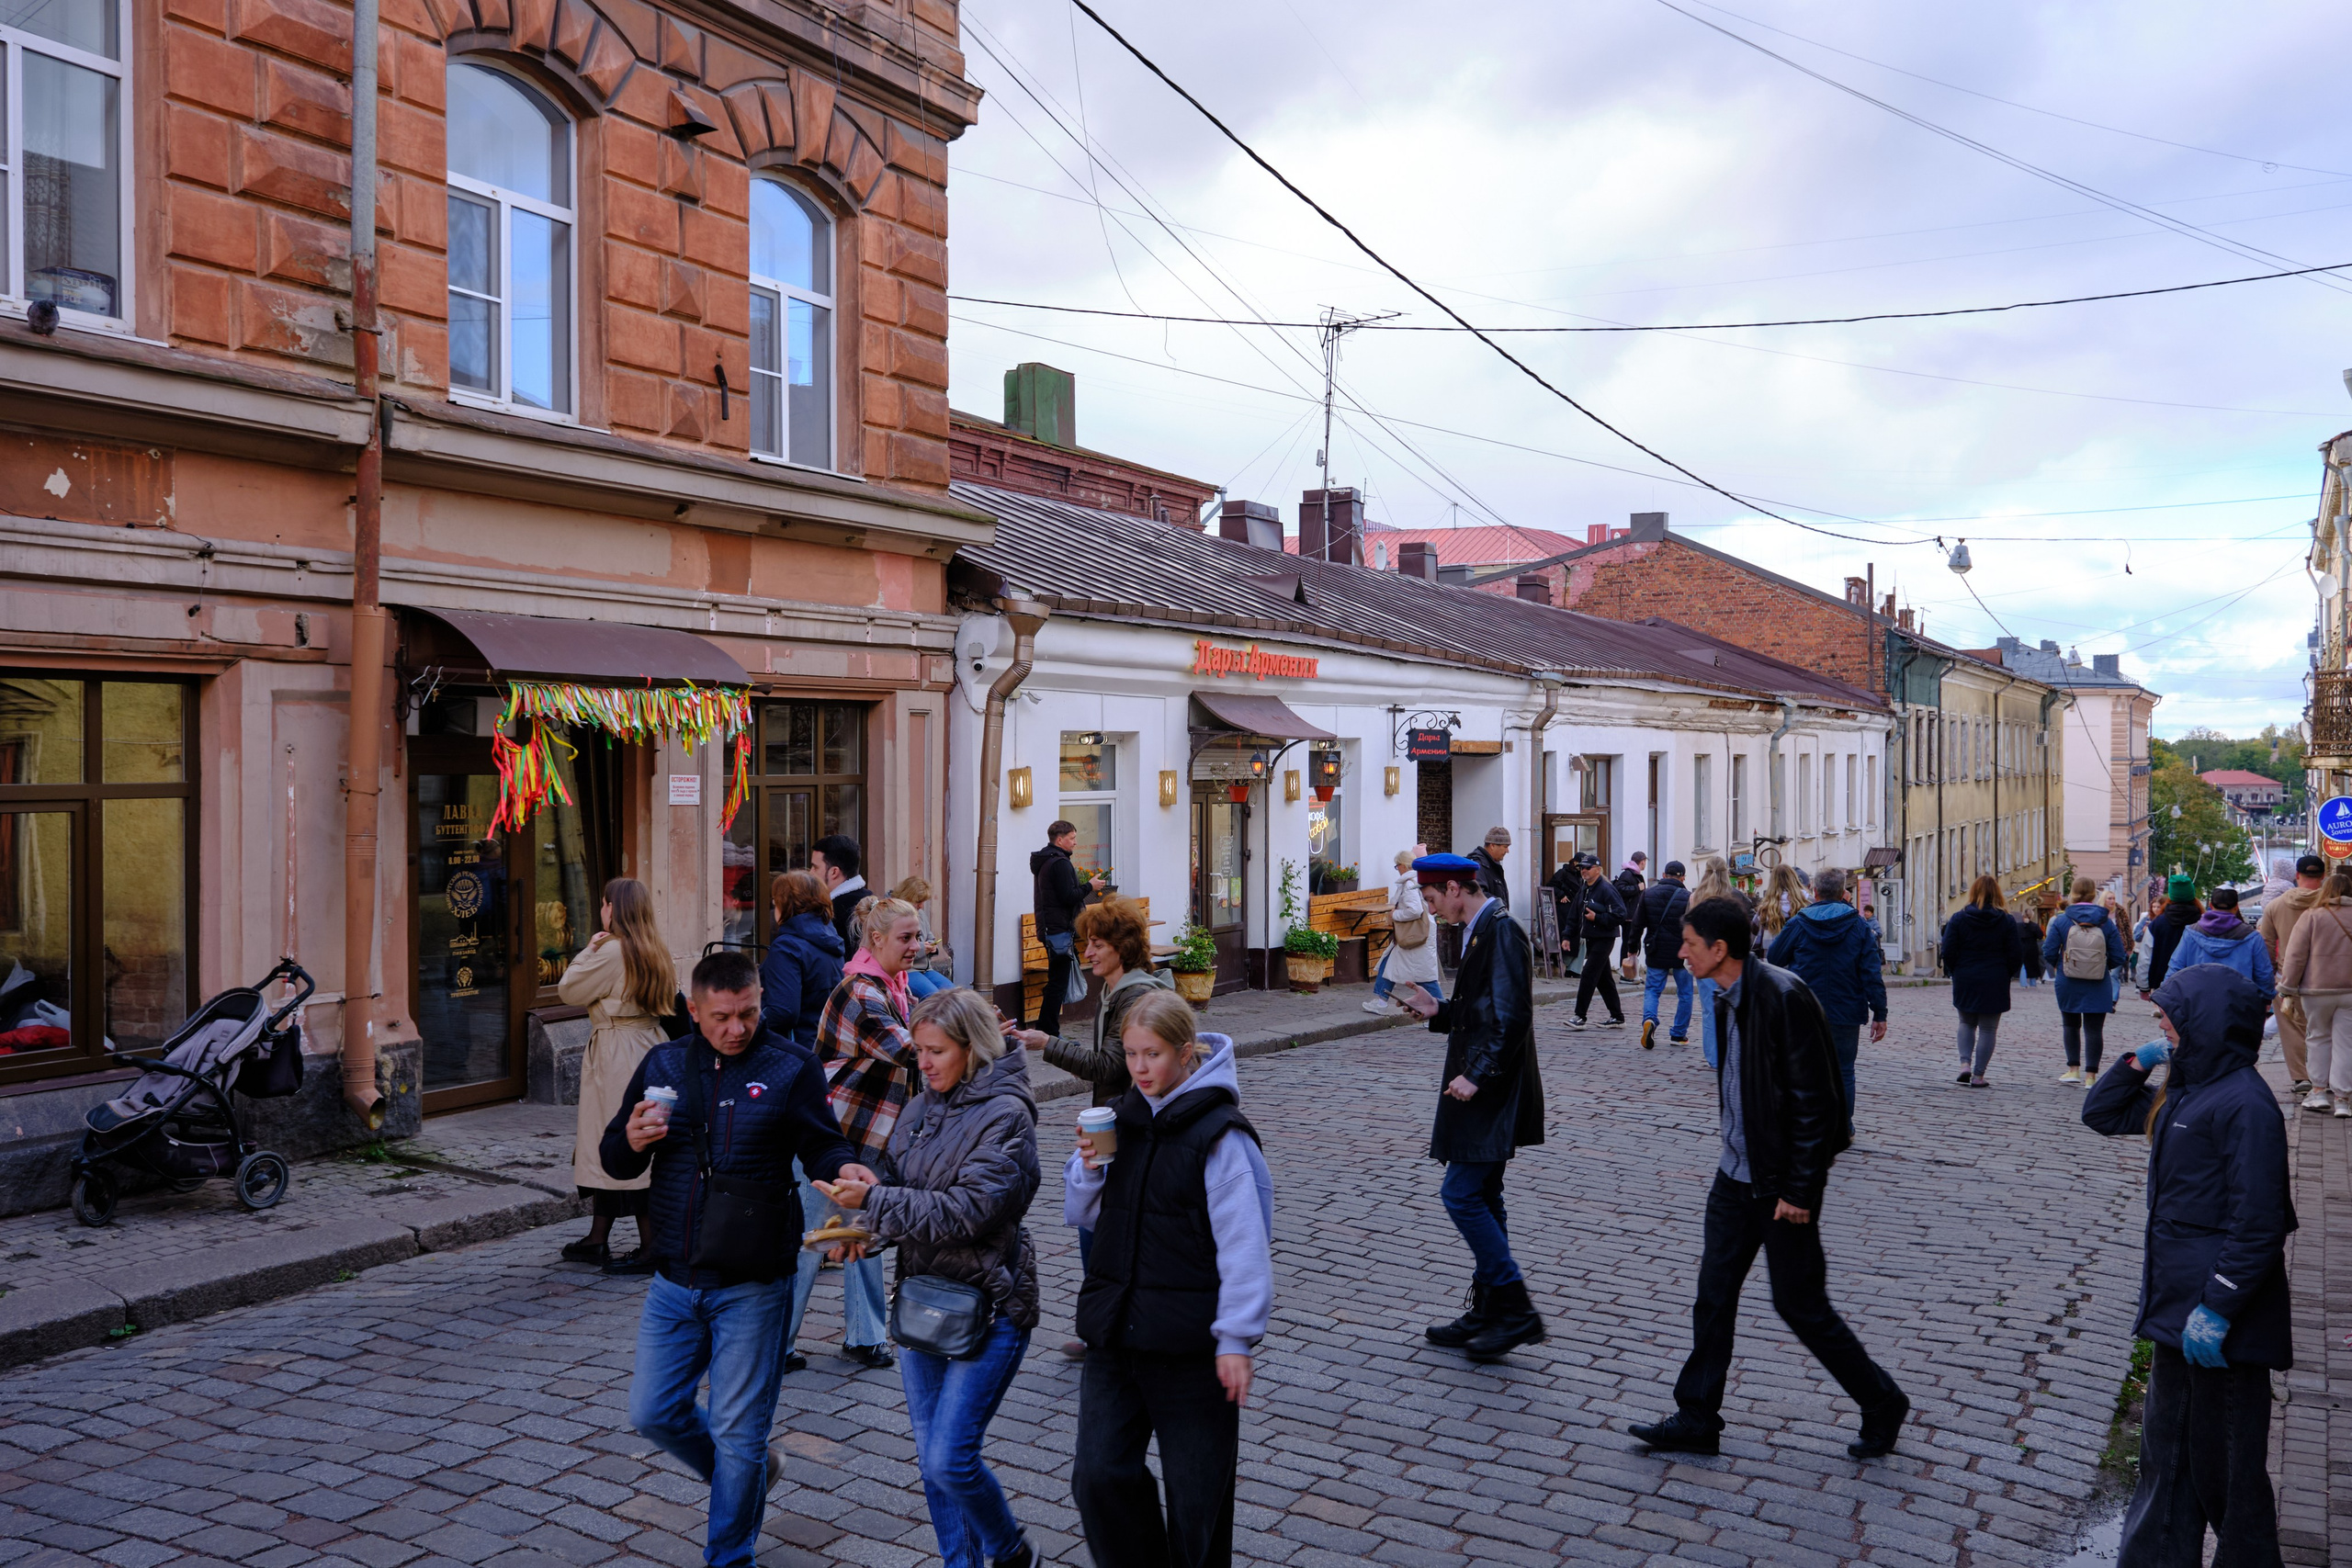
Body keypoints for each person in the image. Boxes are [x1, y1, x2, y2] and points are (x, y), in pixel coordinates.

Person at [603, 950, 876, 1568]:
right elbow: (615, 1158)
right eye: (722, 1016)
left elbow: (822, 1143)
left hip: (755, 1279)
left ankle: (730, 1555)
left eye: (748, 1013)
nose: (736, 1027)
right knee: (654, 1410)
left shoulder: (791, 1065)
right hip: (674, 1279)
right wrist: (631, 1139)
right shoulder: (662, 1062)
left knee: (737, 1432)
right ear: (694, 1011)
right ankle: (748, 1472)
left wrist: (845, 1170)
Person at [1630, 897, 1908, 1460]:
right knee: (1713, 1296)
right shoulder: (1730, 995)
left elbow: (1818, 1105)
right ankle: (1696, 1415)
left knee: (1800, 1304)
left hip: (1781, 1184)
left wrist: (1800, 1190)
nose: (1680, 953)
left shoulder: (1781, 996)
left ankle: (1881, 1400)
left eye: (1688, 944)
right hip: (1735, 1176)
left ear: (1719, 949)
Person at [818, 989, 1042, 1568]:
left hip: (990, 1305)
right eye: (918, 1050)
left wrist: (879, 1200)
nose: (924, 1062)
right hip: (922, 1298)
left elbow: (967, 1212)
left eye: (936, 1051)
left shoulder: (1008, 1115)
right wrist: (859, 1230)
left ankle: (1011, 1551)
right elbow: (899, 1187)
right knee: (930, 1458)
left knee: (950, 1457)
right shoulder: (922, 1107)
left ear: (974, 1048)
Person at [2082, 964, 2294, 1566]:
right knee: (2166, 1457)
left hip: (2220, 1323)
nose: (2161, 1021)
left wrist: (2219, 1305)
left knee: (2227, 1471)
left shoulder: (2246, 1104)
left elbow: (2260, 1221)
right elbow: (2099, 1113)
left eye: (2169, 1015)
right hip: (2178, 1309)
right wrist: (2136, 1061)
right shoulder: (2189, 1088)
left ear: (2203, 1021)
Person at [1067, 989, 1273, 1568]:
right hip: (1116, 1331)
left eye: (1151, 1054)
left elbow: (1245, 1244)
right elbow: (1082, 1215)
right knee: (1098, 1476)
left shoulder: (1222, 1137)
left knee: (1197, 1501)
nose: (1138, 1068)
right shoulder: (1122, 1118)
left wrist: (1236, 1338)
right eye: (1131, 1054)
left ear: (1186, 1054)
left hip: (1190, 1346)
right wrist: (1086, 1171)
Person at [1395, 853, 1547, 1361]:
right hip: (1488, 1085)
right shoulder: (1482, 929)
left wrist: (1475, 1076)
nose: (1433, 910)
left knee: (1461, 1195)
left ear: (1457, 888)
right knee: (1485, 1195)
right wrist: (1439, 1009)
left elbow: (1511, 1017)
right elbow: (1483, 1010)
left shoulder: (1501, 932)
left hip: (1492, 1090)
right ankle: (1489, 1309)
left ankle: (1516, 1308)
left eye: (1435, 899)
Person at [805, 896, 932, 1372]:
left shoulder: (896, 986)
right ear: (875, 939)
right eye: (906, 937)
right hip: (830, 1133)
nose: (915, 946)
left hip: (872, 1134)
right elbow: (909, 1051)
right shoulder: (862, 992)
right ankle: (777, 1340)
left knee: (864, 1230)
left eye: (917, 936)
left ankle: (866, 1335)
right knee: (811, 1240)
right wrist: (973, 1042)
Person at [559, 877, 675, 1273]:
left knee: (622, 1144)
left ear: (614, 908)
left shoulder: (611, 951)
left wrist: (587, 949)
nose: (602, 911)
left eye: (605, 903)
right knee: (619, 1141)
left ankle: (649, 1247)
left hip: (616, 1053)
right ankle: (597, 1237)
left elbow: (569, 990)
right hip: (648, 1043)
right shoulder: (654, 947)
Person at [1765, 868, 1887, 1132]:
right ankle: (1843, 1127)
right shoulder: (1859, 926)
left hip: (1804, 1008)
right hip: (1846, 1010)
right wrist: (1880, 1013)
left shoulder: (1799, 923)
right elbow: (1871, 972)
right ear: (1843, 892)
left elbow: (1774, 958)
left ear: (1816, 892)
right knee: (1843, 1071)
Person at [2277, 865, 2352, 1117]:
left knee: (2318, 1037)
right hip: (2350, 991)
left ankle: (2318, 1092)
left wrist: (2287, 987)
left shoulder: (2312, 916)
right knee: (2346, 1043)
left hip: (2317, 990)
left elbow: (2296, 956)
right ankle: (2342, 1099)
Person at [1942, 875, 2026, 1088]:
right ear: (1997, 894)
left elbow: (1948, 950)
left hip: (1966, 976)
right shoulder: (2006, 921)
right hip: (1994, 977)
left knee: (1966, 1022)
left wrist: (1955, 971)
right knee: (1988, 1029)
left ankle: (1964, 1065)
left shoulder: (1959, 918)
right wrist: (2006, 973)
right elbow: (2015, 953)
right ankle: (1979, 1076)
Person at [2042, 878, 2128, 1087]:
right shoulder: (2105, 922)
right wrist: (2100, 966)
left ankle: (2073, 1070)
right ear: (2093, 895)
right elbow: (2119, 955)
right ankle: (2091, 1076)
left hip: (2068, 980)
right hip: (2098, 982)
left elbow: (2048, 951)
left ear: (2072, 893)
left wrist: (2063, 967)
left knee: (2070, 1025)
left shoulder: (2062, 920)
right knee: (2094, 1029)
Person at [2258, 853, 2328, 1098]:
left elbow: (2266, 943)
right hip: (2328, 977)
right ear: (2323, 876)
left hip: (2288, 976)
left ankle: (2301, 1077)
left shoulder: (2275, 906)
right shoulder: (2331, 903)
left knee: (2291, 1027)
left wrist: (2268, 980)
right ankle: (2326, 1076)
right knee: (2326, 1028)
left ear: (2297, 876)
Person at [1031, 819, 1107, 1040]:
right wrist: (1090, 886)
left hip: (1051, 928)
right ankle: (1049, 1032)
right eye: (1072, 838)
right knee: (1058, 982)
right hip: (1059, 929)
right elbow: (1069, 896)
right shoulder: (1059, 863)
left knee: (1056, 980)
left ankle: (1046, 1029)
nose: (1075, 842)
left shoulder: (1047, 860)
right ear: (1060, 839)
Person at [761, 870, 844, 1051]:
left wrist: (748, 1021)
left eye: (775, 902)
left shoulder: (787, 947)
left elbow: (783, 1011)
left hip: (794, 1049)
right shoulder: (829, 939)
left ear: (786, 904)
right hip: (825, 1044)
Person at [1368, 847, 1444, 1014]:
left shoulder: (1409, 884)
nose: (1397, 869)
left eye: (1397, 866)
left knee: (1426, 978)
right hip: (1417, 934)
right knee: (1391, 963)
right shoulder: (1416, 881)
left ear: (1403, 865)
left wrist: (1395, 914)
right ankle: (1380, 1000)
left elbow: (1415, 910)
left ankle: (1441, 1010)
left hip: (1414, 935)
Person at [1688, 856, 1745, 1069]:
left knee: (1709, 1010)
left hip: (1705, 960)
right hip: (1729, 959)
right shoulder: (1734, 896)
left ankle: (1714, 1057)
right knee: (1734, 1007)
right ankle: (1732, 1053)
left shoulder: (1696, 897)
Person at [2168, 887, 2275, 998]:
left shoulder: (2191, 933)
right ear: (2236, 907)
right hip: (2239, 1004)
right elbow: (2263, 974)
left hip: (2196, 1002)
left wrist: (2168, 997)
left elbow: (2176, 967)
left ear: (2210, 905)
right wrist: (2266, 997)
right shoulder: (2252, 937)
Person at [1633, 860, 1693, 1050]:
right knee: (1685, 993)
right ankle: (1678, 1034)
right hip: (1681, 952)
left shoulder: (1648, 894)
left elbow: (1637, 924)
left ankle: (1649, 1020)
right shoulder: (1688, 897)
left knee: (1652, 990)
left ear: (1664, 875)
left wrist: (1631, 948)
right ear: (1683, 877)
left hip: (1655, 948)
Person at [1566, 853, 1629, 1029]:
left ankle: (1580, 1016)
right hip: (1591, 938)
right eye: (1581, 868)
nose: (1583, 871)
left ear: (1598, 870)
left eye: (1588, 868)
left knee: (1588, 974)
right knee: (1604, 979)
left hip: (1605, 938)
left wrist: (1598, 918)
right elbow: (1574, 913)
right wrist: (1567, 936)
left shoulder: (1607, 889)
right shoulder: (1584, 888)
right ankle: (1617, 1016)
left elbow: (1620, 914)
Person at [2143, 874, 2204, 997]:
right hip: (2197, 982)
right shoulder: (2203, 923)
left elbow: (2146, 956)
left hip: (2164, 984)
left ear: (2171, 896)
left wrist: (2144, 986)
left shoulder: (2158, 923)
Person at [810, 834, 868, 949]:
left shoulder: (833, 913)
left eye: (815, 867)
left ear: (834, 872)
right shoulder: (869, 900)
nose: (811, 873)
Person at [1613, 852, 1650, 975]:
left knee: (1634, 942)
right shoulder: (1627, 874)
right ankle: (1624, 968)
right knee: (1629, 942)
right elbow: (1619, 889)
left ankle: (1630, 969)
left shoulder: (1635, 874)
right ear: (1642, 861)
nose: (1645, 864)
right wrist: (1636, 888)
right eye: (1645, 861)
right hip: (1629, 915)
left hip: (1634, 914)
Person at [1758, 863, 1808, 942]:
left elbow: (1754, 938)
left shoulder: (1764, 909)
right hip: (1800, 951)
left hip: (1772, 952)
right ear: (1794, 879)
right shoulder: (1807, 902)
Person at [1469, 826, 1512, 908]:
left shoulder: (1492, 865)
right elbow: (1478, 895)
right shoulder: (1478, 865)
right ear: (1492, 846)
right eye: (1505, 847)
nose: (1507, 851)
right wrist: (1500, 906)